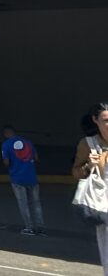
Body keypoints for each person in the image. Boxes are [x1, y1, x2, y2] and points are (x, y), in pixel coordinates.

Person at [71, 102, 108, 275]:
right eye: (106, 120)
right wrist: (89, 166)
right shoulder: (88, 144)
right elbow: (76, 173)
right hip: (103, 207)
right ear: (95, 120)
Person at [1, 125, 45, 236]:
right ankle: (40, 227)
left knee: (23, 203)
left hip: (17, 178)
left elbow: (6, 162)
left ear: (6, 134)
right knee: (36, 203)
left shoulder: (6, 145)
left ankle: (29, 227)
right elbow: (36, 157)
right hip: (31, 176)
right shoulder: (28, 142)